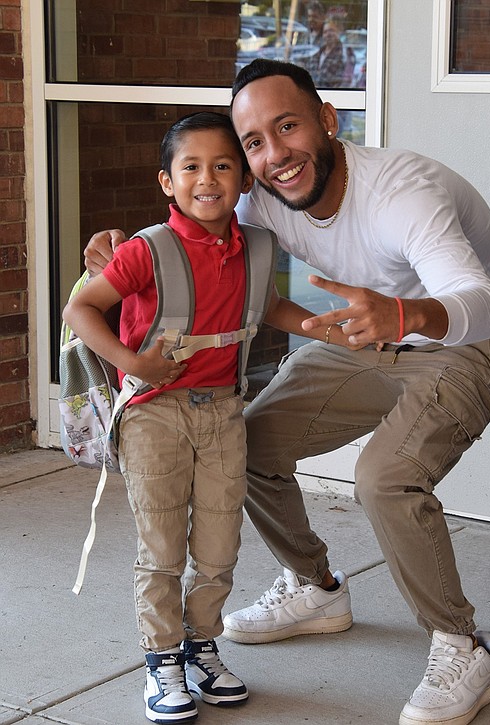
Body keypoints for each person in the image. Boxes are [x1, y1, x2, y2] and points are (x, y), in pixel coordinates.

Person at [83, 61, 490, 725]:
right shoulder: (260, 193)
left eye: (288, 125)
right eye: (255, 143)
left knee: (385, 477)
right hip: (368, 332)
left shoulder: (402, 191)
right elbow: (192, 217)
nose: (275, 154)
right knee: (249, 443)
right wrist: (120, 248)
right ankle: (317, 587)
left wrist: (405, 316)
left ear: (328, 119)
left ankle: (462, 643)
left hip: (477, 344)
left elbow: (484, 306)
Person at [66, 110, 355, 725]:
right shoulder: (147, 251)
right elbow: (84, 309)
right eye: (191, 167)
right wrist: (131, 360)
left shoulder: (253, 244)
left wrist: (311, 324)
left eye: (224, 165)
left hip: (223, 411)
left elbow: (265, 304)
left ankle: (202, 645)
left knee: (220, 546)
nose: (208, 179)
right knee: (163, 545)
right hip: (153, 416)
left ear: (245, 180)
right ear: (167, 182)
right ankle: (161, 658)